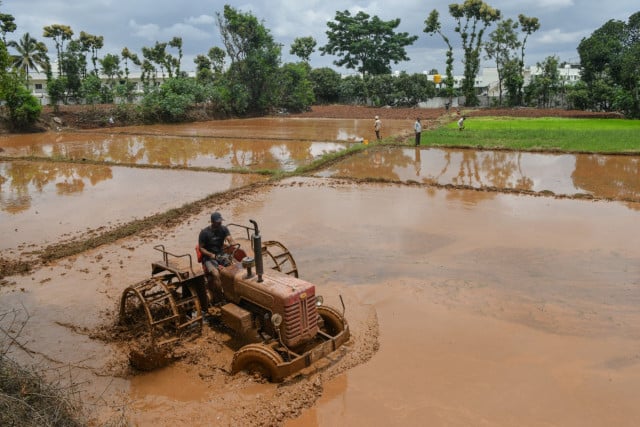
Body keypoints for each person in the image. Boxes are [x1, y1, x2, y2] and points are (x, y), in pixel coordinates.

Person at [198, 211, 236, 305]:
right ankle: (220, 298)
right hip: (208, 258)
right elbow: (201, 248)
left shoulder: (223, 229)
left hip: (221, 254)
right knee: (215, 274)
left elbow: (229, 237)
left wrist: (232, 242)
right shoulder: (204, 233)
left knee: (235, 268)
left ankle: (233, 292)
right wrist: (211, 255)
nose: (220, 223)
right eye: (217, 222)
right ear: (212, 222)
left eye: (220, 221)